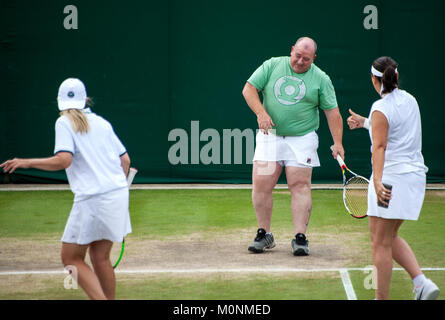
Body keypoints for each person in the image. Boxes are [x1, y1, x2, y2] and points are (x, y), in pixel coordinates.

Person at [0, 78, 132, 300]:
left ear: (59, 102)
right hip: (116, 195)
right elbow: (125, 161)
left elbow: (63, 160)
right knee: (100, 257)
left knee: (70, 259)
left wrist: (26, 162)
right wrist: (117, 187)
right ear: (85, 99)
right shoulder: (103, 123)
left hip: (93, 199)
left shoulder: (63, 123)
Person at [347, 56, 439, 300]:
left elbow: (380, 146)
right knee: (389, 236)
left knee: (379, 242)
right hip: (414, 179)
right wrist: (364, 123)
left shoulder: (380, 107)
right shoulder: (410, 100)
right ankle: (421, 283)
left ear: (373, 80)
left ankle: (381, 298)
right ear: (396, 77)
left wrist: (377, 181)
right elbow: (393, 129)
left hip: (390, 181)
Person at [242, 37, 344, 256]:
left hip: (302, 139)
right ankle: (264, 234)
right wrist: (261, 112)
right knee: (261, 184)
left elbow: (333, 112)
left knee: (299, 185)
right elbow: (248, 89)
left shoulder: (321, 79)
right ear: (291, 50)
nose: (300, 62)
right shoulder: (271, 65)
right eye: (297, 56)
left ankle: (300, 238)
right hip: (270, 136)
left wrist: (338, 142)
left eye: (306, 59)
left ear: (313, 58)